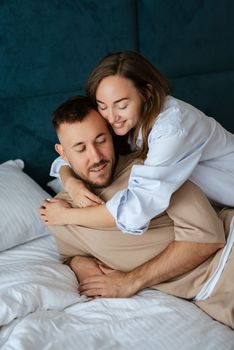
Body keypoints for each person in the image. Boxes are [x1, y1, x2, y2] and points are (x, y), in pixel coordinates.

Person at [40, 95, 234, 329]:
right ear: (62, 153)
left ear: (112, 136)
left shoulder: (150, 169)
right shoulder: (57, 213)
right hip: (211, 296)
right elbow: (70, 254)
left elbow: (207, 238)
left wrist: (130, 281)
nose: (96, 157)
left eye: (101, 140)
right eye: (80, 148)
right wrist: (84, 267)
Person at [50, 51, 234, 235]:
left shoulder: (172, 129)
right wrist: (71, 183)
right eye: (102, 106)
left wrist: (66, 216)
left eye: (122, 105)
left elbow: (135, 210)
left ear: (146, 92)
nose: (112, 117)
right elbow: (71, 153)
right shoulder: (121, 122)